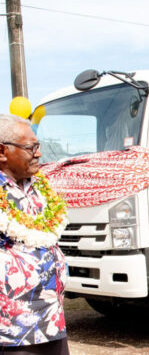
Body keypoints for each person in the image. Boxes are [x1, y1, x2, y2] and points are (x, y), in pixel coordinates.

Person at [0, 114, 69, 354]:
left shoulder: (39, 186)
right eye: (31, 148)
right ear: (2, 151)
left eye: (38, 146)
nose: (38, 153)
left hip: (51, 318)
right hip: (13, 330)